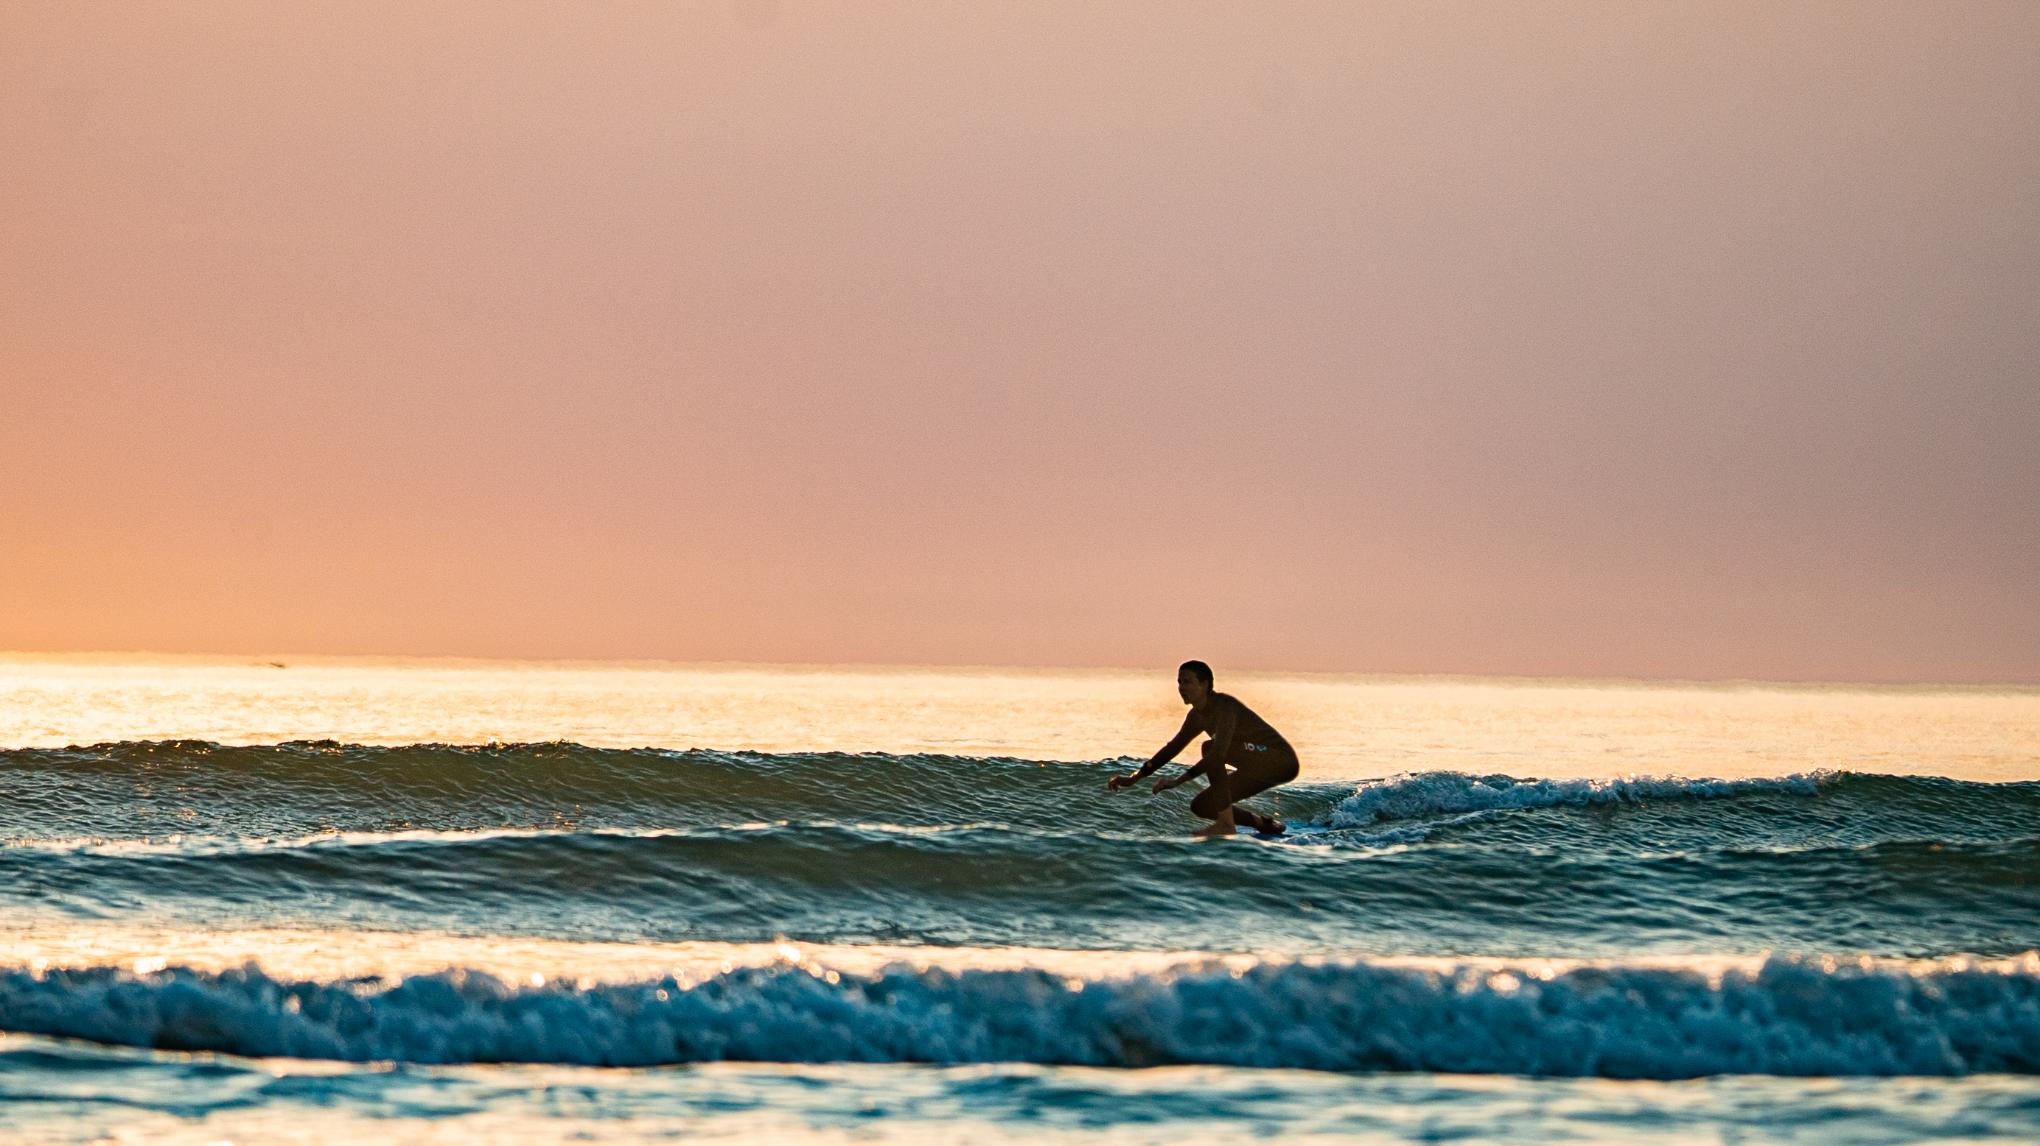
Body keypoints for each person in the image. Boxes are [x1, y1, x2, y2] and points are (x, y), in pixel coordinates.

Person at [1108, 660, 1298, 838]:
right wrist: (1135, 778)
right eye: (1179, 682)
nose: (1181, 688)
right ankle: (1261, 823)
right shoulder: (1196, 716)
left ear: (1205, 684)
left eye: (1187, 682)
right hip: (1255, 767)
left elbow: (1218, 753)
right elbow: (1172, 748)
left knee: (1210, 748)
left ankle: (1226, 824)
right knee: (1202, 806)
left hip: (1280, 760)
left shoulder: (1225, 707)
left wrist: (1178, 780)